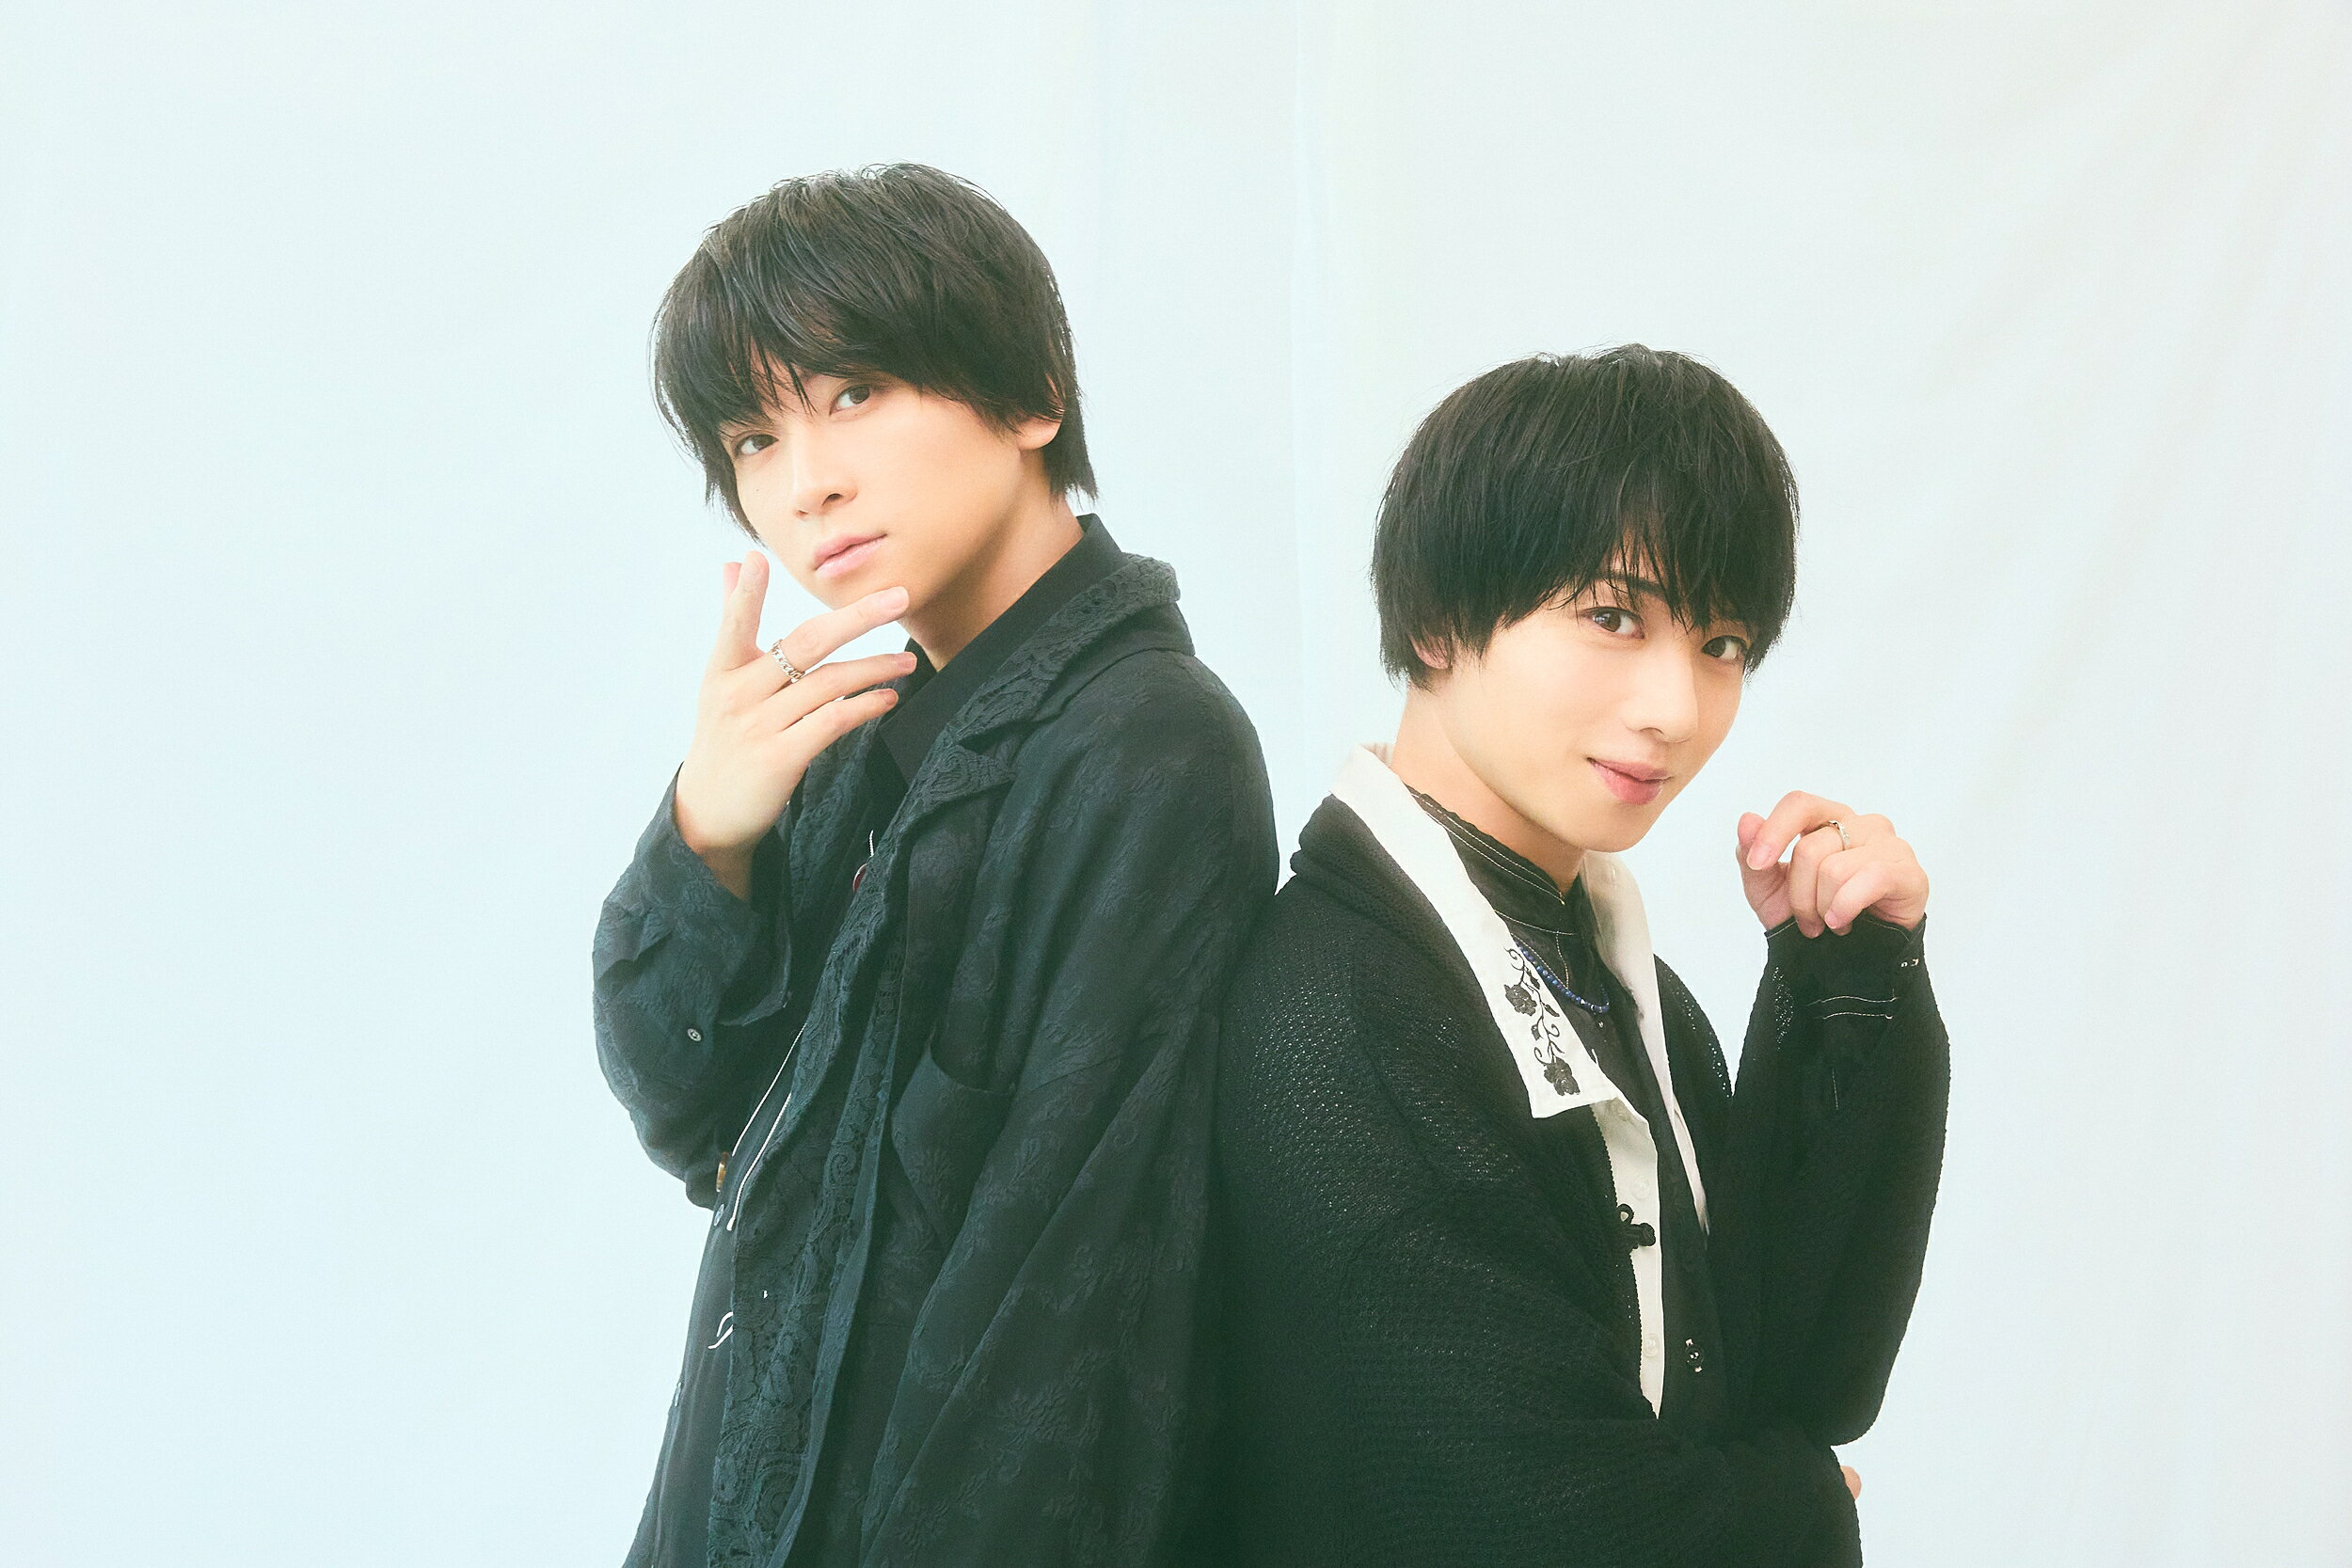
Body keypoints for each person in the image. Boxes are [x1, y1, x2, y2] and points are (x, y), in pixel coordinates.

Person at [593, 164, 1277, 1568]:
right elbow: (697, 1120)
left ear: (1032, 399)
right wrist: (707, 836)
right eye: (755, 438)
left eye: (853, 394)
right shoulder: (853, 733)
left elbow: (1069, 1318)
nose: (808, 485)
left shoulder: (1149, 746)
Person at [1213, 348, 1948, 1566]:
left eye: (1722, 643)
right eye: (1613, 617)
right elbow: (1529, 1519)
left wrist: (1852, 989)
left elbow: (1810, 1379)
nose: (1677, 708)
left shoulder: (1612, 978)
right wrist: (1804, 1508)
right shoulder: (1341, 1012)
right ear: (1439, 621)